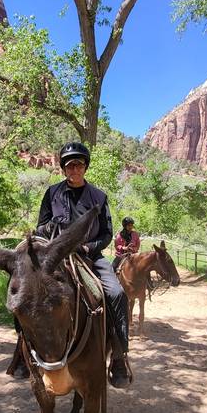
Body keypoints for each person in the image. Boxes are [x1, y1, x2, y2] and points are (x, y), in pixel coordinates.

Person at [13, 141, 130, 388]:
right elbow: (41, 224)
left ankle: (119, 356)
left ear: (85, 167)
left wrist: (87, 247)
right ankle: (21, 352)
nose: (74, 169)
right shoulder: (52, 193)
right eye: (69, 165)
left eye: (78, 165)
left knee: (117, 293)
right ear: (64, 169)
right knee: (24, 290)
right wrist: (50, 230)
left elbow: (107, 233)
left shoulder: (99, 196)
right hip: (54, 255)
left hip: (89, 255)